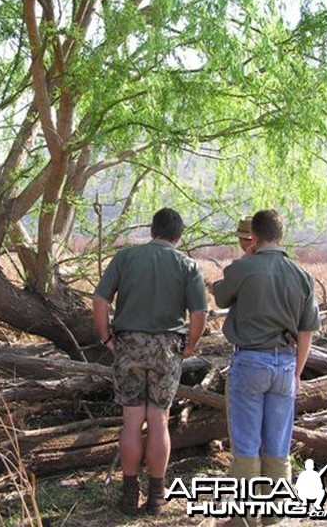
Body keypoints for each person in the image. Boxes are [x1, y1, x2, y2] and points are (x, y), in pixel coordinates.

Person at [93, 208, 207, 516]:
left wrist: (106, 338)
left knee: (131, 420)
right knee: (158, 419)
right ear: (178, 235)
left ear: (152, 230)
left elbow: (100, 299)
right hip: (167, 347)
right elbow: (199, 314)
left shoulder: (126, 257)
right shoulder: (187, 265)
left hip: (128, 343)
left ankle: (130, 495)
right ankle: (157, 496)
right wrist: (190, 345)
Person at [212, 209, 320, 527]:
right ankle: (273, 516)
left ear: (253, 238)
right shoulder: (301, 276)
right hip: (285, 365)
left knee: (246, 443)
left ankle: (242, 515)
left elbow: (220, 297)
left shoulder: (244, 268)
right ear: (281, 236)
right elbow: (306, 331)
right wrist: (297, 371)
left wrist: (246, 258)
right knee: (278, 443)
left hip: (249, 362)